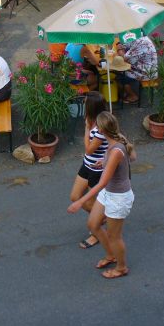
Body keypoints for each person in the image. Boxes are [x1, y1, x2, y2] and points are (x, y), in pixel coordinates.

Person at [67, 111, 136, 279]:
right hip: (109, 193)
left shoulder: (116, 150)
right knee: (93, 224)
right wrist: (105, 162)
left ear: (102, 130)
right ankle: (111, 255)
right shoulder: (116, 139)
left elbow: (103, 182)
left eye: (97, 126)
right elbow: (132, 157)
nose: (95, 128)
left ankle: (121, 267)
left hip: (118, 197)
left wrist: (79, 202)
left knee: (114, 236)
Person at [69, 92, 108, 250]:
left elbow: (89, 149)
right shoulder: (92, 119)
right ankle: (102, 218)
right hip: (87, 165)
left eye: (85, 103)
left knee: (91, 202)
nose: (83, 106)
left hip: (97, 171)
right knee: (75, 196)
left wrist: (86, 129)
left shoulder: (100, 127)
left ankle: (96, 231)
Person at [116, 36, 158, 104]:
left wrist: (119, 49)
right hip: (144, 67)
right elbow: (126, 45)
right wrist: (122, 47)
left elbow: (124, 59)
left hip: (146, 73)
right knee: (119, 69)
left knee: (118, 74)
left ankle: (133, 96)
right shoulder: (139, 37)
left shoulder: (141, 43)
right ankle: (124, 91)